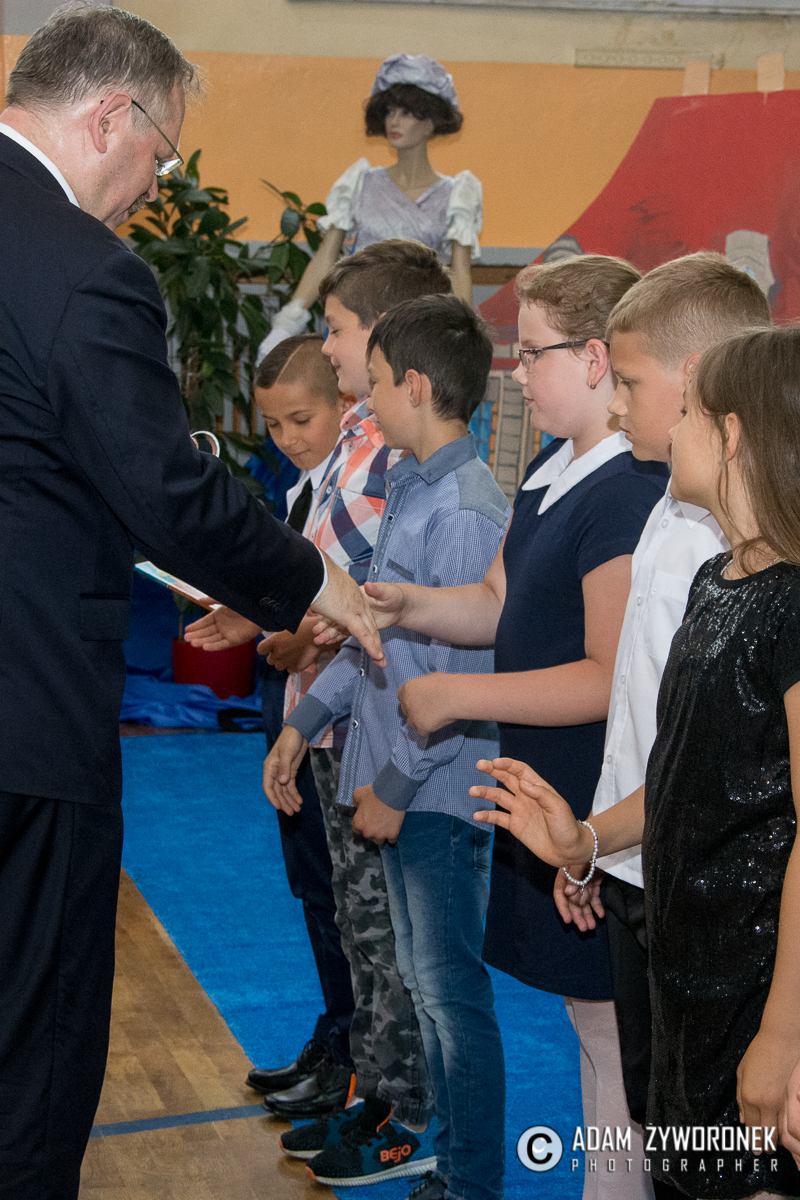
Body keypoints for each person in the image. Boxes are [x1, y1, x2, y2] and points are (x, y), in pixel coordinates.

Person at [0, 8, 382, 1199]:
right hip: (26, 716)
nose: (152, 191)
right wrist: (313, 578)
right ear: (109, 115)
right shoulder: (79, 266)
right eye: (160, 158)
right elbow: (165, 487)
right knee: (31, 1048)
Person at [332, 256, 670, 1198]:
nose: (517, 374)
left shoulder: (624, 492)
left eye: (535, 352)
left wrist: (460, 698)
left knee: (614, 1039)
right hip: (545, 793)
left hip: (595, 798)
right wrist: (407, 605)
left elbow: (605, 675)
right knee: (590, 1029)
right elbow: (493, 602)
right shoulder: (553, 470)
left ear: (596, 360)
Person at [471, 325, 800, 1200]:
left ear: (733, 436)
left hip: (756, 978)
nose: (655, 424)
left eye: (688, 412)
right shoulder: (718, 582)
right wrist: (582, 838)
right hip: (687, 974)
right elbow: (684, 777)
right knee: (676, 1170)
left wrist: (783, 1033)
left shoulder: (794, 607)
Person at [186, 240, 451, 1130]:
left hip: (366, 727)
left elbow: (369, 594)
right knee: (341, 910)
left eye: (336, 329)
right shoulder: (350, 453)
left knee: (382, 932)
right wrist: (268, 621)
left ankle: (387, 1094)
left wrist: (296, 629)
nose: (327, 345)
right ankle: (354, 1062)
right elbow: (324, 576)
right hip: (324, 713)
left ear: (381, 335)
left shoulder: (390, 458)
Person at [267, 295, 511, 1197]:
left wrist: (396, 786)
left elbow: (453, 680)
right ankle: (435, 1147)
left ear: (414, 386)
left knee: (449, 994)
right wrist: (302, 723)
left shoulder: (467, 511)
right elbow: (373, 634)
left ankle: (470, 1176)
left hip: (437, 796)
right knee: (413, 976)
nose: (361, 404)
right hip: (395, 780)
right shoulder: (409, 485)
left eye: (370, 387)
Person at [550, 253, 770, 1200]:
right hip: (640, 856)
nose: (616, 404)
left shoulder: (741, 548)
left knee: (713, 1141)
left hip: (712, 886)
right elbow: (650, 723)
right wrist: (595, 844)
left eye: (631, 383)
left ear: (697, 381)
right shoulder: (669, 506)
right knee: (656, 1111)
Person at [260, 53, 481, 360]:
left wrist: (461, 340)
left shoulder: (457, 195)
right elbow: (327, 256)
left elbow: (459, 275)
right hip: (356, 326)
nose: (394, 120)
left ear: (432, 120)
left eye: (407, 112)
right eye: (390, 111)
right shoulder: (360, 184)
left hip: (416, 336)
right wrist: (287, 322)